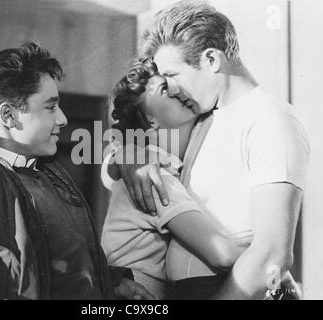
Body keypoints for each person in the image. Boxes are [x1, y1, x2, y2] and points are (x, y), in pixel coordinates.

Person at [103, 0, 309, 299]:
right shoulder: (202, 117)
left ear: (211, 59)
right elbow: (119, 150)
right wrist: (129, 151)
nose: (170, 88)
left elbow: (272, 252)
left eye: (171, 76)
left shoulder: (271, 119)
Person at [0, 42, 154, 300]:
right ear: (8, 116)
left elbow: (52, 265)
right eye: (50, 106)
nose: (63, 119)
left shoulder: (52, 176)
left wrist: (110, 283)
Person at [101, 58, 249, 299]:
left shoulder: (155, 164)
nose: (177, 90)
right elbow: (222, 255)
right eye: (164, 89)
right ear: (151, 119)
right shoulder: (154, 176)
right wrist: (271, 264)